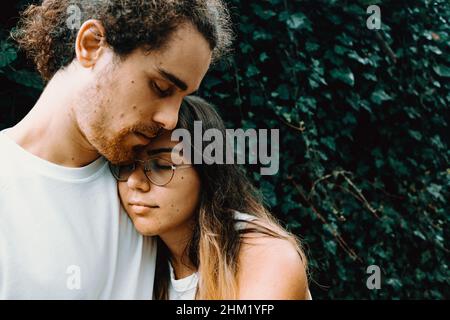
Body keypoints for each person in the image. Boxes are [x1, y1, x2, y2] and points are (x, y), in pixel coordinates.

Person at [0, 0, 232, 299]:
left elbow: (235, 240)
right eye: (161, 88)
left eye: (182, 97)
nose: (169, 119)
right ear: (92, 45)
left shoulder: (155, 187)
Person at [112, 96, 311, 299]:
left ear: (207, 172)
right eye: (126, 165)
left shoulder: (266, 256)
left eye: (162, 165)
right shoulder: (138, 257)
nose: (134, 182)